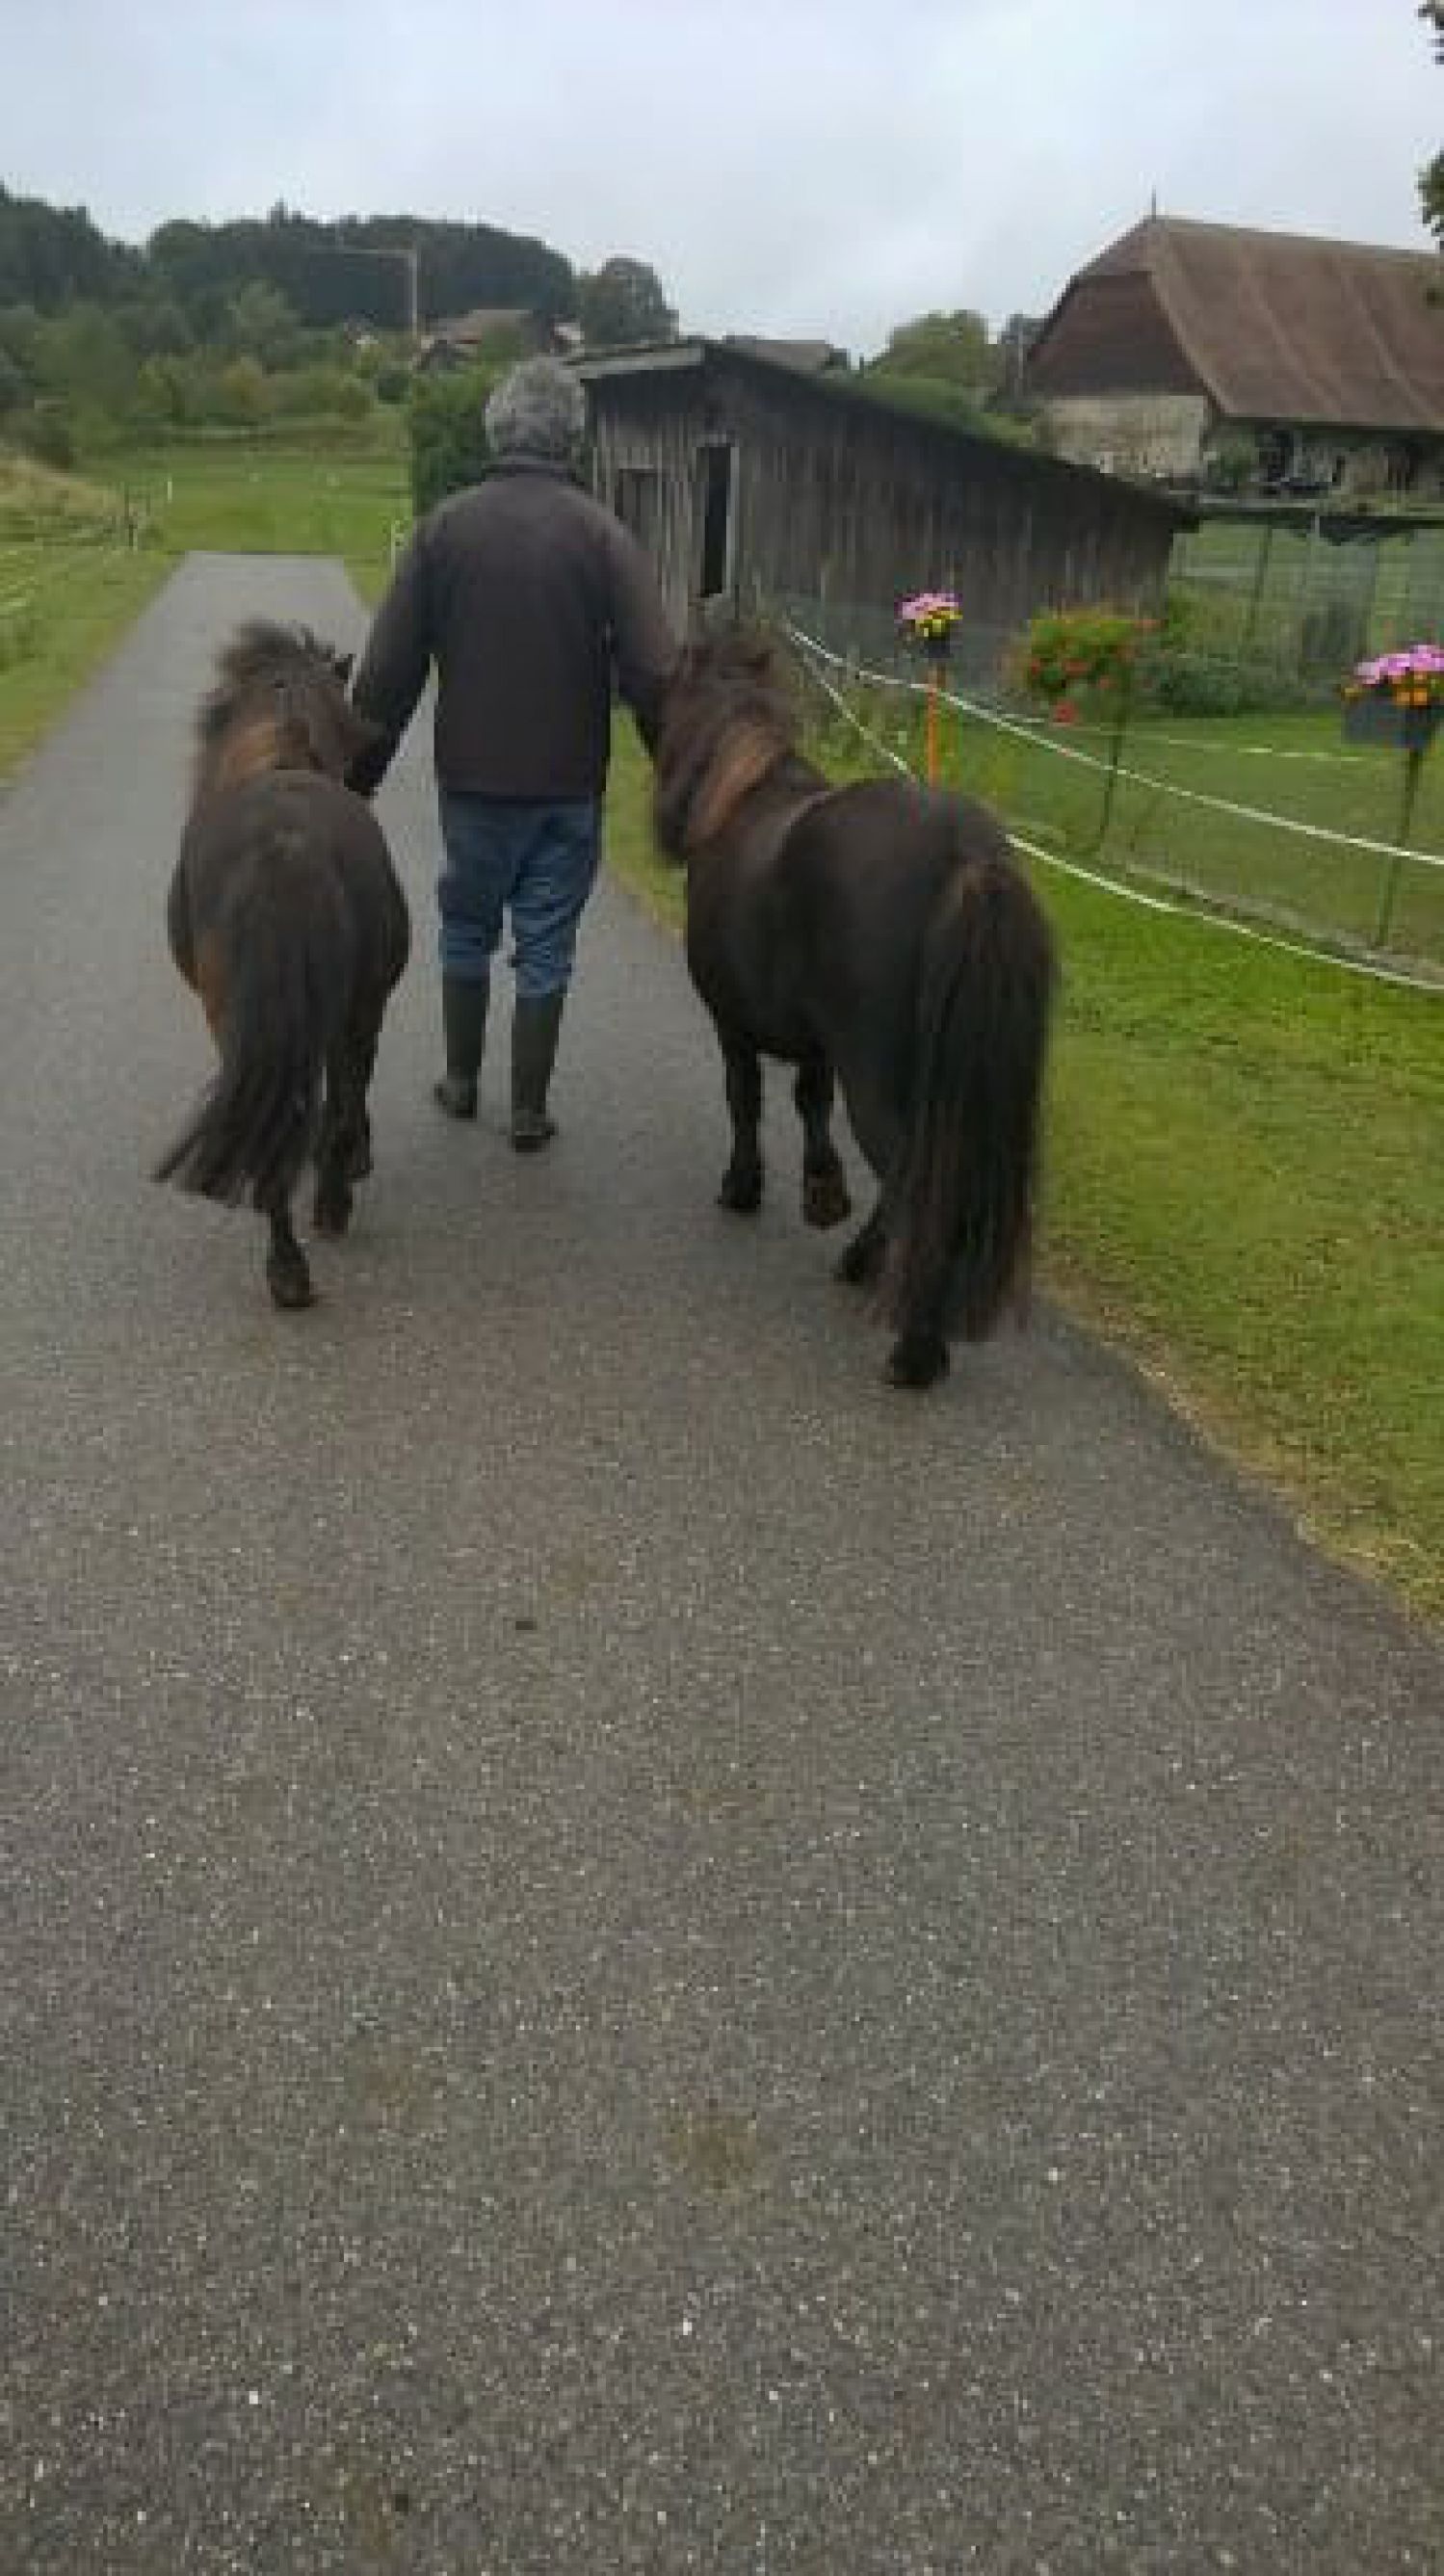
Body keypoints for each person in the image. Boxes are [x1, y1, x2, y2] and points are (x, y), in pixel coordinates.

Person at [348, 356, 676, 1147]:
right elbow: (655, 670)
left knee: (465, 925)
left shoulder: (443, 529)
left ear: (494, 427)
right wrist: (677, 771)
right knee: (548, 942)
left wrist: (356, 775)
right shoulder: (604, 536)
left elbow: (389, 672)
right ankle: (528, 1109)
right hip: (568, 786)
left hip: (472, 782)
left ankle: (461, 1083)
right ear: (572, 436)